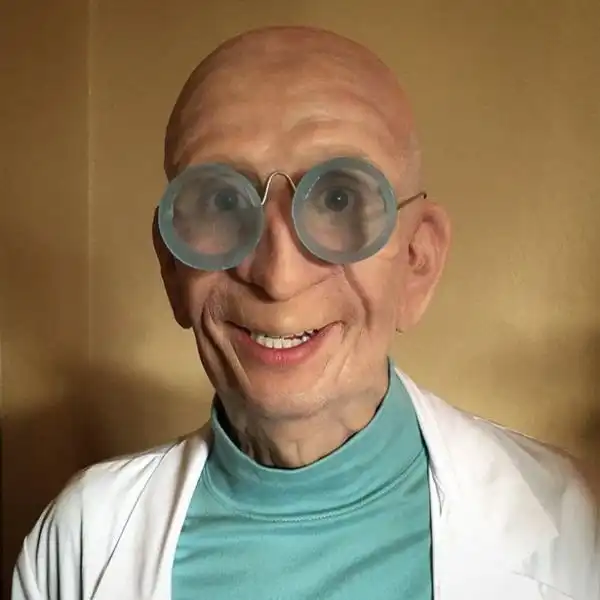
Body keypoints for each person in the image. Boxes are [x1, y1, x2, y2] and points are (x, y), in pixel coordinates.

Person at [12, 26, 599, 600]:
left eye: (338, 198)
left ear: (416, 261)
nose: (278, 276)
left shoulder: (579, 528)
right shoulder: (80, 542)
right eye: (221, 200)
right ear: (172, 265)